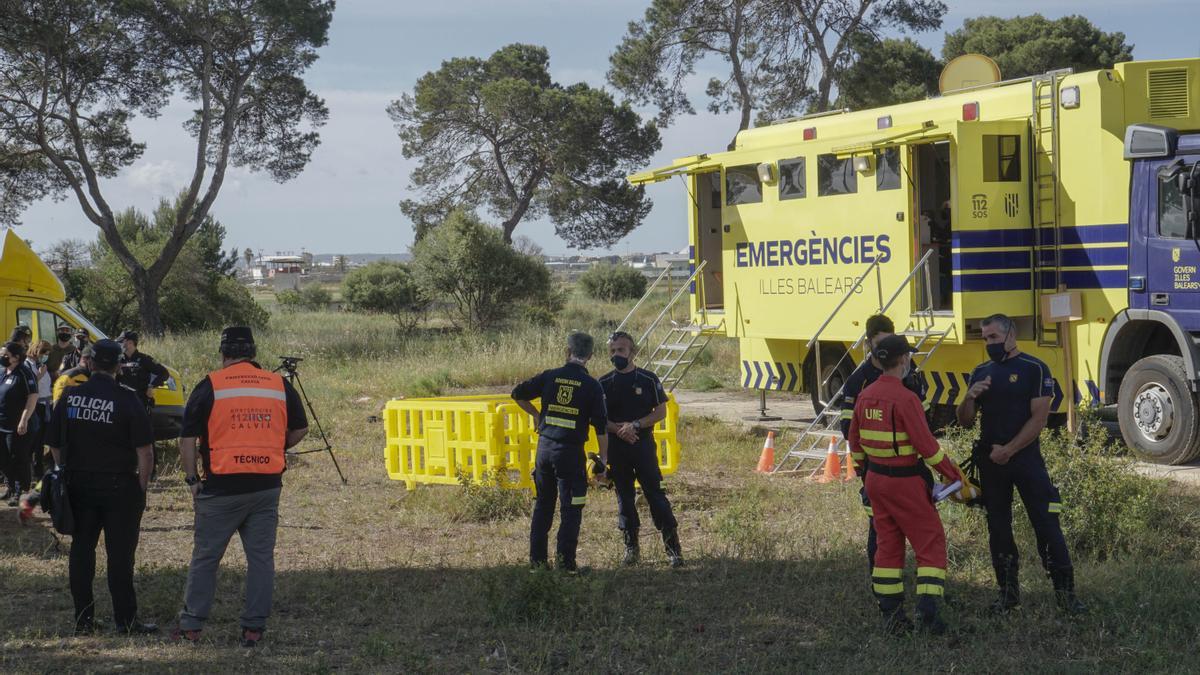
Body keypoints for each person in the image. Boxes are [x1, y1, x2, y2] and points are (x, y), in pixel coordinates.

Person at [173, 327, 308, 648]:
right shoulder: (279, 385)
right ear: (253, 353)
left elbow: (186, 439)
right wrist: (276, 446)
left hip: (221, 488)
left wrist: (192, 479)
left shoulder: (211, 385)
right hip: (266, 487)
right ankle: (253, 629)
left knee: (206, 558)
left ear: (223, 354)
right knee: (261, 559)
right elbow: (300, 429)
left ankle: (192, 627)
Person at [956, 313, 1085, 614]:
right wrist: (969, 398)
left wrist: (1010, 450)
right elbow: (964, 422)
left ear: (1010, 335)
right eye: (985, 338)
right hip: (991, 461)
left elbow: (1039, 419)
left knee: (1046, 524)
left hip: (1025, 459)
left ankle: (1066, 597)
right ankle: (1007, 595)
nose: (989, 344)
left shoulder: (1034, 369)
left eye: (994, 338)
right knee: (998, 528)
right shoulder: (981, 371)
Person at [848, 335, 964, 635]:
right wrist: (953, 475)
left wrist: (865, 474)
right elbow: (928, 447)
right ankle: (929, 610)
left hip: (875, 481)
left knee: (887, 545)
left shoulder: (866, 395)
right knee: (930, 542)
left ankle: (892, 615)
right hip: (905, 481)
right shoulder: (906, 398)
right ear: (903, 360)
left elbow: (855, 443)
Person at [46, 339, 156, 635]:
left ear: (90, 364)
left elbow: (54, 445)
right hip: (120, 487)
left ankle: (83, 620)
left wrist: (65, 472)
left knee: (82, 553)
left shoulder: (70, 396)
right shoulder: (128, 399)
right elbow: (144, 451)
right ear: (119, 366)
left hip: (78, 485)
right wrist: (141, 488)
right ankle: (126, 621)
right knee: (120, 557)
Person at [837, 314, 928, 572]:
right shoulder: (858, 381)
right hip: (876, 470)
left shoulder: (910, 374)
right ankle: (879, 580)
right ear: (868, 344)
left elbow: (926, 421)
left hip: (910, 469)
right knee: (879, 528)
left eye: (891, 342)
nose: (887, 350)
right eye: (880, 344)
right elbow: (848, 429)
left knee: (919, 527)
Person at [511, 332, 608, 573]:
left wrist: (536, 415)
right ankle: (566, 566)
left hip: (544, 450)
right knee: (572, 508)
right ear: (591, 356)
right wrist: (603, 459)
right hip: (570, 454)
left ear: (567, 351)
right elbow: (601, 427)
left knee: (543, 505)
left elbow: (517, 394)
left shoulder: (550, 376)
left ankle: (537, 564)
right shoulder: (592, 385)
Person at [597, 331, 682, 567]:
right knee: (624, 497)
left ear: (632, 352)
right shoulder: (602, 383)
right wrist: (619, 430)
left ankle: (673, 549)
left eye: (621, 350)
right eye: (613, 351)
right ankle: (631, 549)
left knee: (656, 496)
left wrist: (635, 425)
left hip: (642, 446)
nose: (616, 355)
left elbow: (660, 411)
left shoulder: (647, 379)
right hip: (617, 448)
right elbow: (599, 418)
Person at [0, 341, 38, 505]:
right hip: (2, 424)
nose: (2, 357)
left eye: (5, 354)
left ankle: (21, 490)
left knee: (18, 457)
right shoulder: (3, 371)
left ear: (16, 357)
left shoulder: (24, 372)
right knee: (3, 458)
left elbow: (32, 397)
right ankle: (9, 486)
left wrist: (24, 419)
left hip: (19, 425)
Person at [115, 331, 169, 410]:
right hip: (122, 404)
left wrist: (151, 386)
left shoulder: (145, 359)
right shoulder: (118, 360)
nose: (119, 344)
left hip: (140, 404)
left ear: (130, 343)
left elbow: (164, 373)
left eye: (121, 342)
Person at [29, 340, 53, 478]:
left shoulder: (41, 365)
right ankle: (31, 471)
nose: (46, 356)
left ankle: (39, 469)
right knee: (34, 441)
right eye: (44, 352)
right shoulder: (28, 365)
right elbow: (29, 386)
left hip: (46, 405)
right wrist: (40, 375)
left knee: (41, 442)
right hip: (35, 406)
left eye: (48, 353)